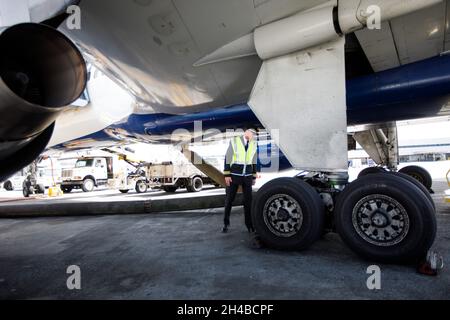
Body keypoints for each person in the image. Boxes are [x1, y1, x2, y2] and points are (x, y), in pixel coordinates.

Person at [222, 129, 259, 233]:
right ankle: (226, 223)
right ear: (246, 132)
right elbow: (228, 157)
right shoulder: (234, 141)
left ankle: (249, 225)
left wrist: (254, 176)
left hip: (247, 176)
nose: (254, 136)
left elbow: (254, 160)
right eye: (253, 133)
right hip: (234, 175)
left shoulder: (254, 144)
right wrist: (227, 174)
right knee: (229, 200)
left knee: (248, 202)